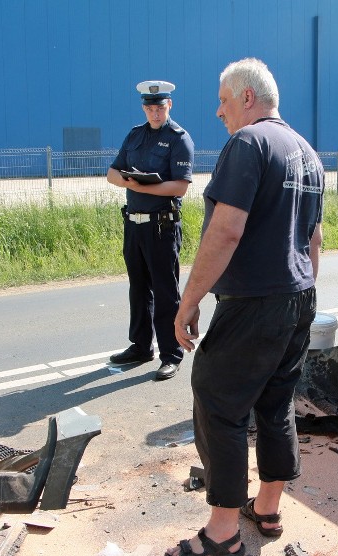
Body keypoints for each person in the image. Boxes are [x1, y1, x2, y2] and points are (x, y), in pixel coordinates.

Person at [164, 58, 324, 556]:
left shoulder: (249, 143)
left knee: (218, 399)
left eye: (224, 100)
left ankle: (223, 533)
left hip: (254, 302)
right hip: (298, 297)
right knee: (275, 403)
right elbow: (313, 238)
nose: (218, 111)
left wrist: (188, 301)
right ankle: (269, 508)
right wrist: (301, 296)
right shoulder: (307, 153)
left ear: (248, 98)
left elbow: (226, 230)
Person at [106, 81, 194, 381]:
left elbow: (180, 186)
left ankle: (172, 354)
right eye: (149, 108)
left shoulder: (179, 139)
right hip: (133, 224)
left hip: (161, 226)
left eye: (160, 107)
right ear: (144, 108)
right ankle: (141, 346)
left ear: (169, 105)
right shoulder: (135, 135)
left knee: (166, 292)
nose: (154, 113)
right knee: (138, 289)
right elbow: (112, 173)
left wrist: (146, 185)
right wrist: (130, 183)